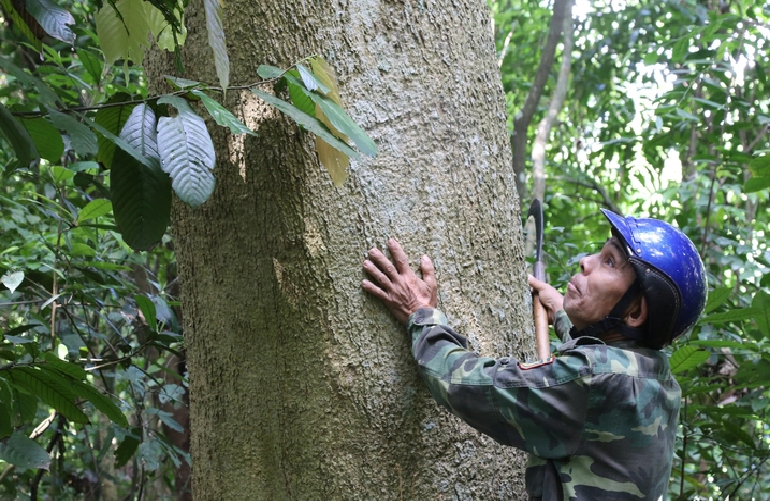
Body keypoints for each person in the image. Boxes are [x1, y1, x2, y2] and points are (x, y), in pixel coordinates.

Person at [362, 209, 708, 501]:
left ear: (634, 312)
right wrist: (564, 314)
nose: (586, 262)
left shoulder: (592, 378)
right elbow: (605, 372)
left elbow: (462, 382)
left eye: (609, 262)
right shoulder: (657, 377)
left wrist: (421, 313)